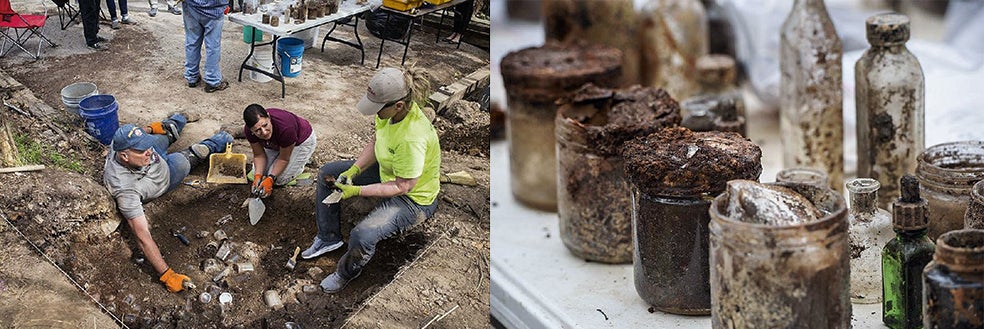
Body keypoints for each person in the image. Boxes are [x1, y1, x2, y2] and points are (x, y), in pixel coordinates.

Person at [303, 67, 441, 293]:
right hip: (389, 170)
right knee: (328, 172)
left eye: (378, 108)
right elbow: (377, 141)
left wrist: (356, 191)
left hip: (412, 198)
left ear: (398, 105)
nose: (374, 113)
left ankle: (345, 273)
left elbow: (402, 186)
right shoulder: (391, 114)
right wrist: (354, 170)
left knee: (363, 234)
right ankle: (328, 238)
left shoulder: (412, 138)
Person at [103, 113, 233, 292]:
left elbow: (137, 134)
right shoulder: (125, 189)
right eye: (141, 150)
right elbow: (142, 236)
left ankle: (179, 119)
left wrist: (150, 131)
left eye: (145, 145)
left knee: (166, 130)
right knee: (190, 157)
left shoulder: (128, 144)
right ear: (124, 156)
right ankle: (221, 139)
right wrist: (166, 274)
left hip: (155, 163)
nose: (147, 151)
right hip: (168, 174)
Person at [242, 104, 317, 197]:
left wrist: (271, 179)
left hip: (300, 142)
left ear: (269, 117)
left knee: (279, 180)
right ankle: (292, 159)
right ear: (251, 130)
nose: (264, 132)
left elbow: (283, 159)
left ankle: (301, 162)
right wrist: (257, 176)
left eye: (265, 125)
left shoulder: (286, 128)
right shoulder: (249, 132)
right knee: (257, 174)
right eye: (257, 130)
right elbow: (259, 155)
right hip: (276, 144)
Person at [182, 0, 229, 92]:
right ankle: (212, 80)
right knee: (213, 46)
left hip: (192, 6)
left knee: (192, 42)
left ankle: (192, 77)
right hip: (215, 8)